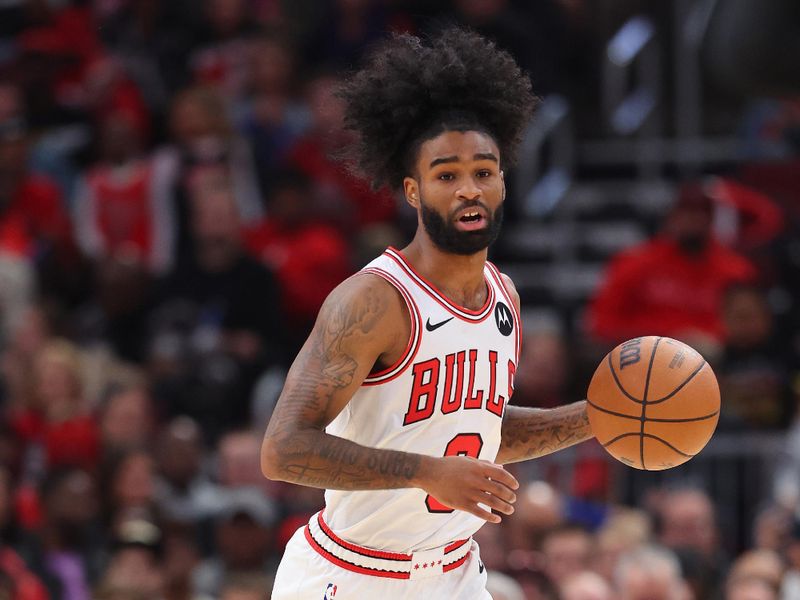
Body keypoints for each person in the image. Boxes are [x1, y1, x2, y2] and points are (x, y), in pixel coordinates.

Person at [260, 27, 594, 599]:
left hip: (455, 576)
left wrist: (594, 417)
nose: (469, 189)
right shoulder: (375, 299)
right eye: (447, 175)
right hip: (352, 577)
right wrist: (426, 471)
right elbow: (283, 450)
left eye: (483, 172)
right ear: (413, 191)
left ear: (503, 182)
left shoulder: (503, 295)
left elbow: (476, 428)